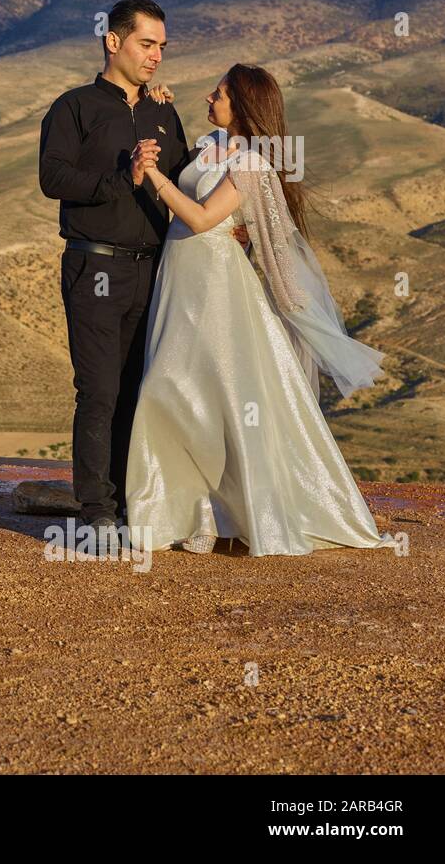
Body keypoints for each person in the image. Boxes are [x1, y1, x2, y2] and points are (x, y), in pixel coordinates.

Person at [127, 65, 391, 555]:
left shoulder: (253, 164)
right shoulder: (209, 145)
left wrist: (156, 178)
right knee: (181, 392)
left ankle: (230, 512)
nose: (209, 96)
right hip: (178, 277)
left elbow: (205, 218)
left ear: (243, 105)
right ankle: (197, 512)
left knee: (200, 393)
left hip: (217, 285)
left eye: (220, 93)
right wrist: (153, 102)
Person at [38, 0, 248, 538]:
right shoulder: (74, 107)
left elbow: (186, 179)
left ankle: (138, 505)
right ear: (114, 42)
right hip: (95, 268)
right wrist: (122, 180)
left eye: (161, 47)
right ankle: (97, 515)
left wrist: (232, 216)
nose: (156, 56)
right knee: (100, 391)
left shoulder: (162, 111)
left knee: (144, 388)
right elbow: (54, 179)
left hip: (155, 272)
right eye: (146, 44)